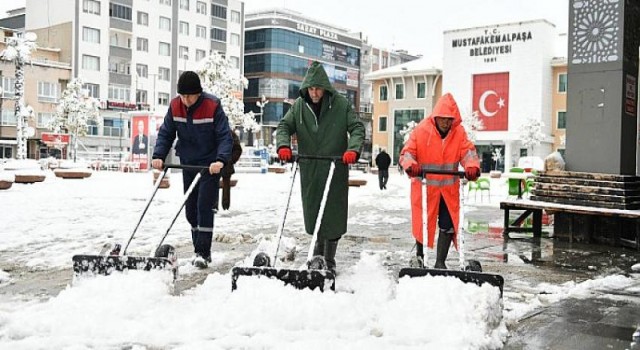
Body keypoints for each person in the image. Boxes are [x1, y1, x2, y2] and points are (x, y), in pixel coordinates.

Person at [276, 61, 365, 274]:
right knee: (314, 213)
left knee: (332, 216)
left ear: (325, 87)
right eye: (311, 88)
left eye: (318, 88)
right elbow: (284, 126)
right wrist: (283, 145)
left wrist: (352, 149)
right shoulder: (299, 106)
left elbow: (357, 128)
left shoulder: (341, 105)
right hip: (311, 169)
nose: (314, 93)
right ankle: (317, 256)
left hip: (335, 167)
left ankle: (329, 260)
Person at [151, 71, 233, 269]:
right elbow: (166, 133)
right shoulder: (175, 106)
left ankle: (203, 253)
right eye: (182, 96)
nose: (185, 100)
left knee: (204, 206)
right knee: (190, 211)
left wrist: (220, 160)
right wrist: (159, 155)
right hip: (188, 162)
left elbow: (224, 136)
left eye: (189, 96)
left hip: (209, 166)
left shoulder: (212, 105)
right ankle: (199, 249)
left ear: (198, 93)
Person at [399, 93, 480, 269]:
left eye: (449, 119)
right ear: (435, 117)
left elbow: (468, 153)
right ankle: (420, 258)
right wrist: (411, 165)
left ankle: (440, 262)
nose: (446, 122)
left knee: (448, 224)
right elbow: (407, 153)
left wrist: (471, 166)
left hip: (449, 190)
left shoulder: (459, 133)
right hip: (425, 188)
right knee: (423, 224)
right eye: (442, 119)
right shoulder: (421, 131)